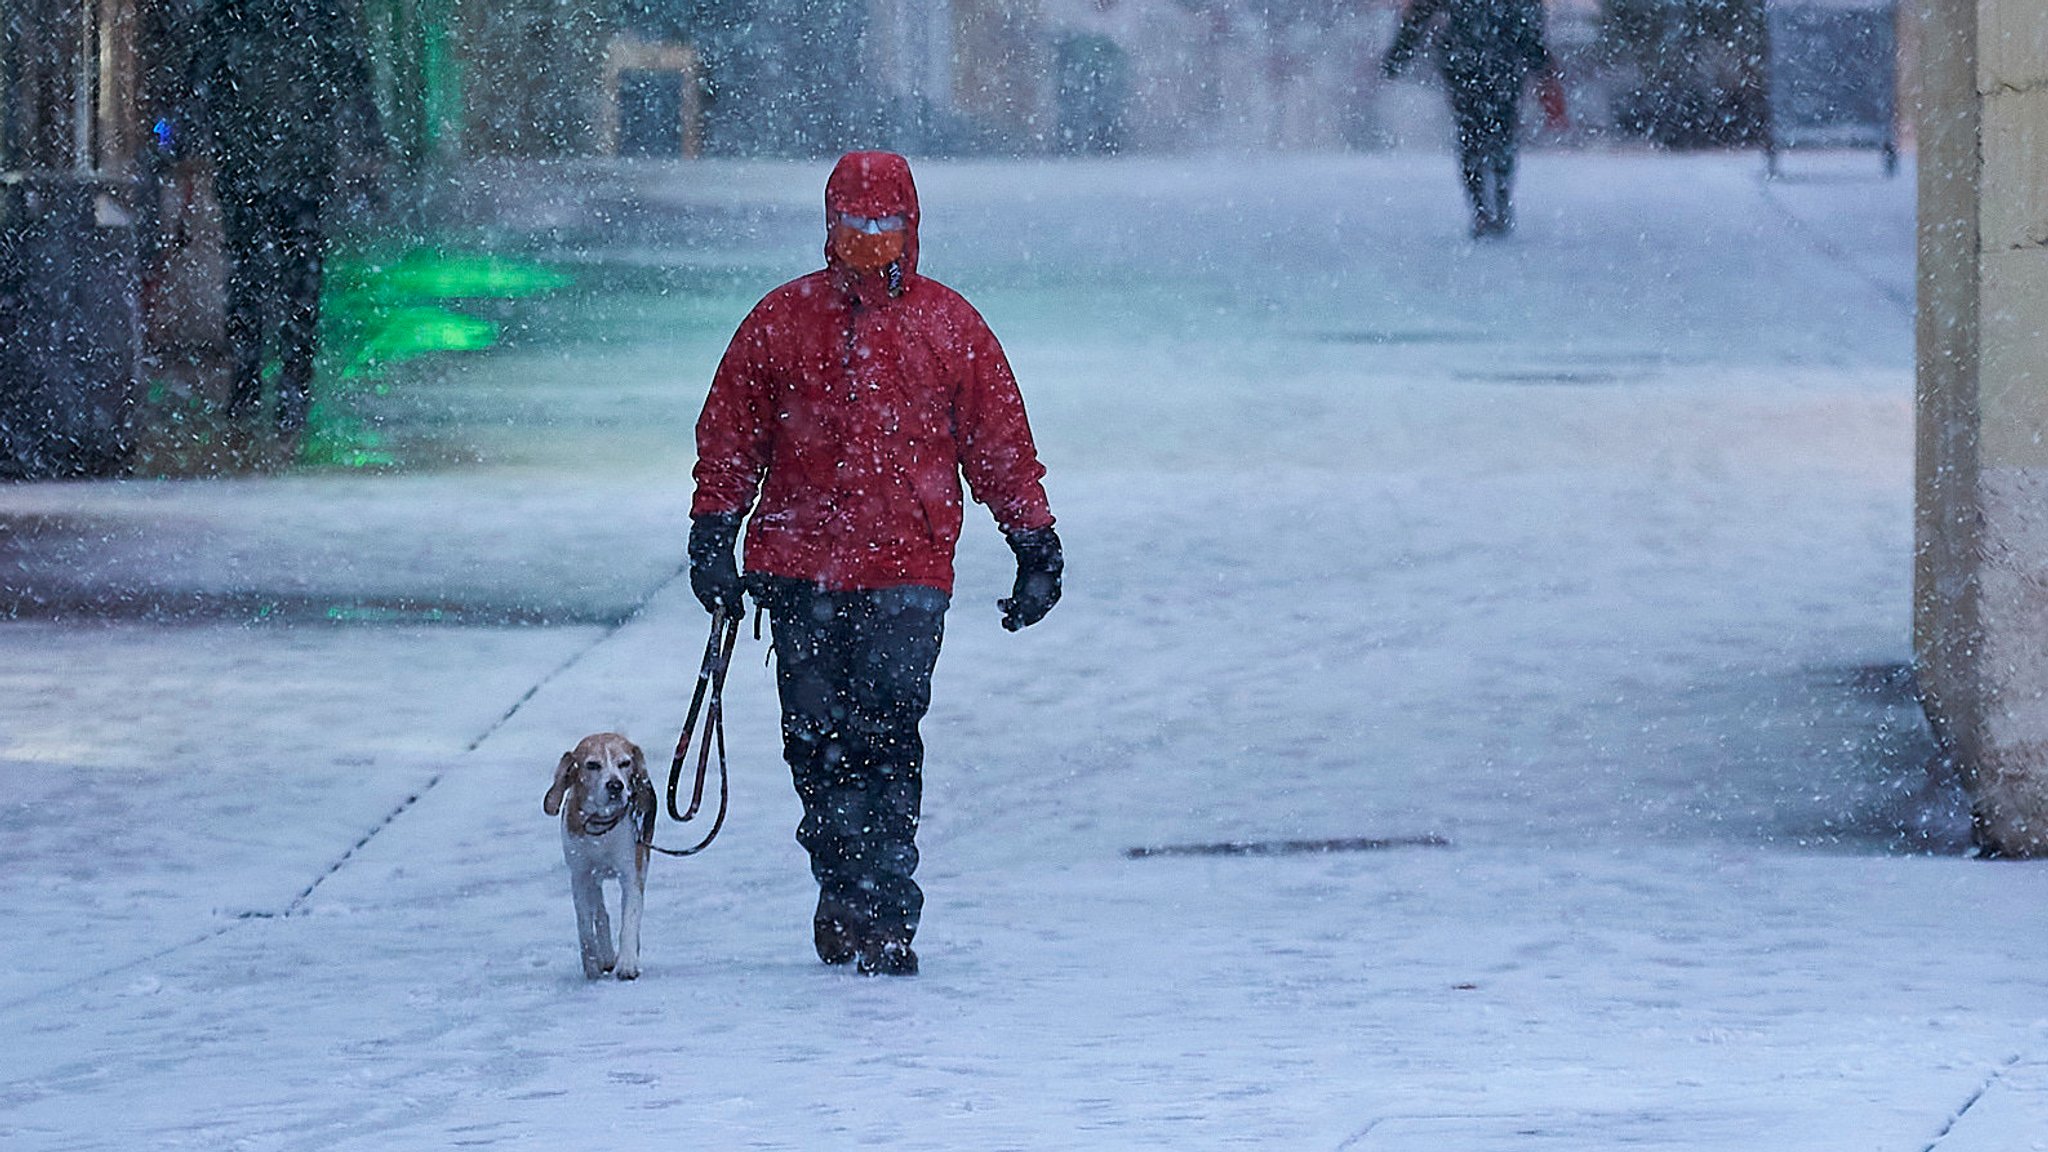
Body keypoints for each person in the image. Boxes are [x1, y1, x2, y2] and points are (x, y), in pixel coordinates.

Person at [688, 151, 1063, 977]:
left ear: (909, 229)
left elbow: (998, 444)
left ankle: (884, 910)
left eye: (881, 227)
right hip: (799, 568)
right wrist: (714, 532)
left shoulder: (947, 329)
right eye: (853, 228)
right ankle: (845, 886)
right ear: (830, 227)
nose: (867, 242)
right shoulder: (781, 325)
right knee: (814, 743)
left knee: (885, 735)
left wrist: (1031, 540)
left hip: (905, 571)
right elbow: (731, 435)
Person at [187, 0, 382, 442]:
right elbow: (353, 78)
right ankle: (276, 384)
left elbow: (200, 78)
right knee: (286, 279)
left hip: (271, 163)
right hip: (281, 164)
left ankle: (260, 383)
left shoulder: (257, 14)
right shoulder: (317, 14)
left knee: (259, 277)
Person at [1383, 0, 1557, 238]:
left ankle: (1485, 209)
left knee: (1474, 135)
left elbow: (1420, 13)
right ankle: (1495, 203)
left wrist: (1399, 55)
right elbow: (1526, 18)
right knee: (1498, 134)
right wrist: (1539, 60)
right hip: (1497, 60)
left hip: (1467, 60)